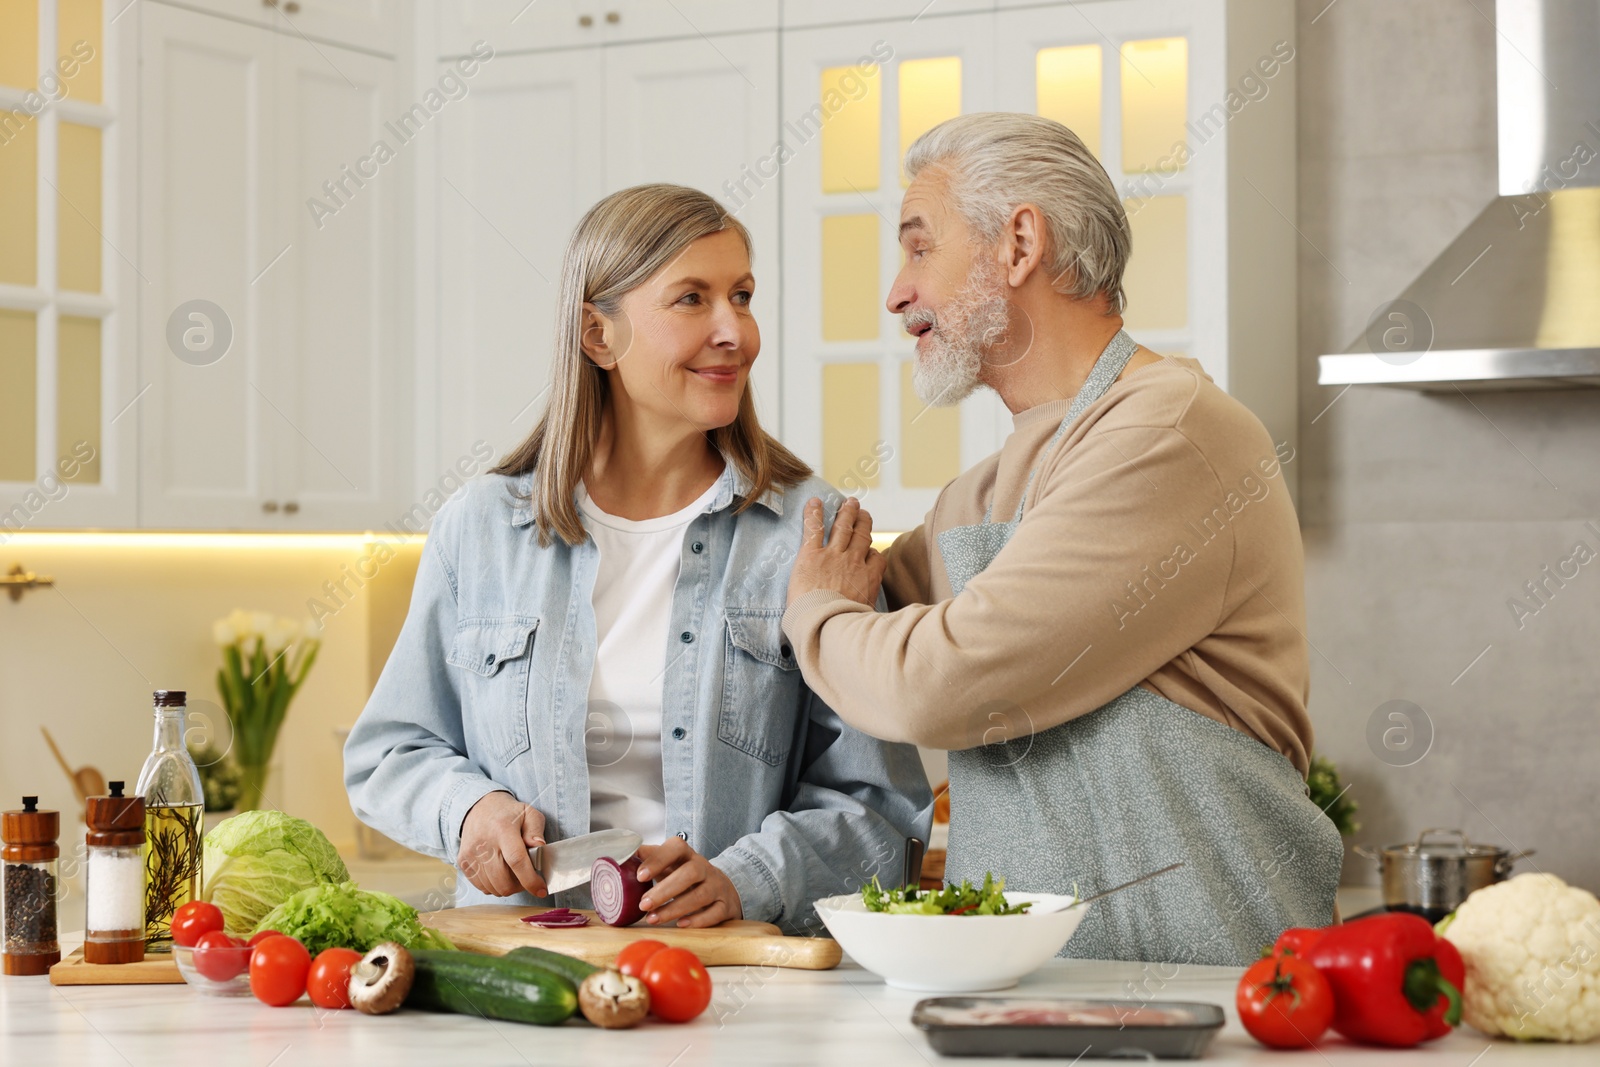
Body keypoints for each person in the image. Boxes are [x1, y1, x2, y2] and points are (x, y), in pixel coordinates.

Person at [781, 113, 1342, 965]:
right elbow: (863, 611)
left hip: (1207, 1001)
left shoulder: (1170, 434)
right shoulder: (979, 494)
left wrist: (818, 610)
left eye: (920, 248)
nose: (897, 293)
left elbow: (941, 679)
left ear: (1018, 244)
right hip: (1024, 999)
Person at [345, 184, 931, 933]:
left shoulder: (809, 536)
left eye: (742, 296)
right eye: (692, 298)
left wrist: (745, 879)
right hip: (524, 980)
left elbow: (881, 810)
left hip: (727, 985)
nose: (736, 332)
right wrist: (468, 809)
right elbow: (390, 748)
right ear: (598, 335)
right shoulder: (482, 529)